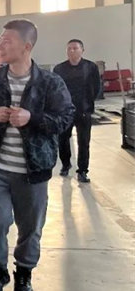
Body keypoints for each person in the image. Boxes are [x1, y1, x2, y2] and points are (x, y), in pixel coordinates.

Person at [0, 19, 74, 291]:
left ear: (26, 47)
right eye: (0, 40)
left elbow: (65, 118)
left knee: (30, 227)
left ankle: (24, 274)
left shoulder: (50, 82)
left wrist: (32, 118)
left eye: (8, 41)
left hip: (33, 170)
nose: (1, 45)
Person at [53, 39, 102, 183]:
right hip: (65, 111)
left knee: (84, 142)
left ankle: (83, 171)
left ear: (82, 50)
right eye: (69, 48)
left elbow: (97, 87)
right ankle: (65, 164)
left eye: (75, 48)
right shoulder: (59, 69)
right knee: (63, 139)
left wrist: (88, 102)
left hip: (84, 110)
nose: (72, 51)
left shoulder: (90, 67)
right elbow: (55, 89)